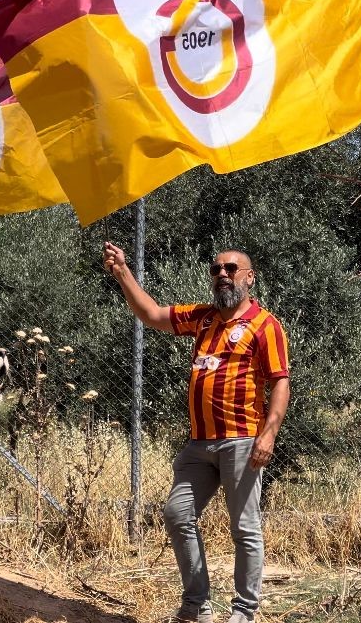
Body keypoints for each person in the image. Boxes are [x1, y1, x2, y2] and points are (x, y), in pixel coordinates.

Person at [103, 242, 290, 623]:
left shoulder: (265, 325)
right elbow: (152, 314)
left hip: (243, 440)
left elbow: (280, 383)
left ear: (249, 277)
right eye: (216, 269)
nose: (223, 274)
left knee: (245, 528)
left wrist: (268, 435)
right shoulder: (203, 318)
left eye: (232, 268)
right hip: (199, 444)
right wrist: (122, 272)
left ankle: (244, 612)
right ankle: (196, 608)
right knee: (177, 514)